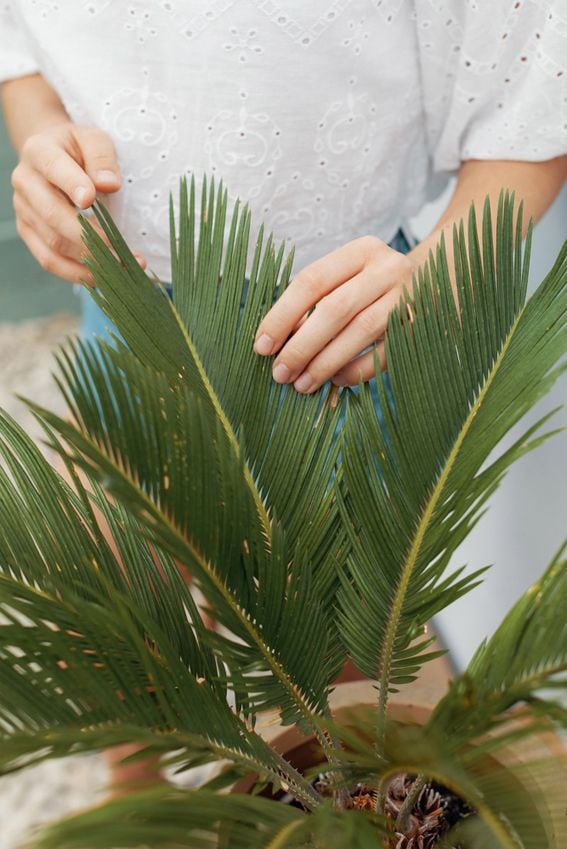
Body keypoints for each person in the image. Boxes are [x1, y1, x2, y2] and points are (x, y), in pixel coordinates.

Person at [1, 0, 566, 794]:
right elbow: (24, 40)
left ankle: (330, 796)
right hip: (123, 292)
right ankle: (138, 785)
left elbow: (533, 89)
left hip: (338, 332)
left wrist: (441, 271)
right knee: (116, 573)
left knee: (338, 640)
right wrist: (40, 145)